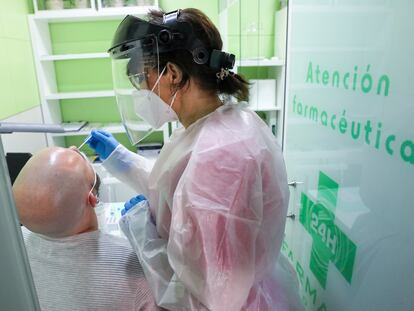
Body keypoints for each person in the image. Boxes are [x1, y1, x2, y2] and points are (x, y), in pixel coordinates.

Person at [87, 8, 302, 311]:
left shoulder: (220, 154)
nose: (140, 91)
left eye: (141, 78)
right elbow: (178, 188)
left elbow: (212, 297)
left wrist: (144, 236)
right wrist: (121, 160)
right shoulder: (223, 124)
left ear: (172, 74)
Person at [13, 147, 159, 311]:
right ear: (92, 198)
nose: (74, 148)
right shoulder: (133, 265)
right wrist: (152, 242)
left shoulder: (11, 252)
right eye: (77, 156)